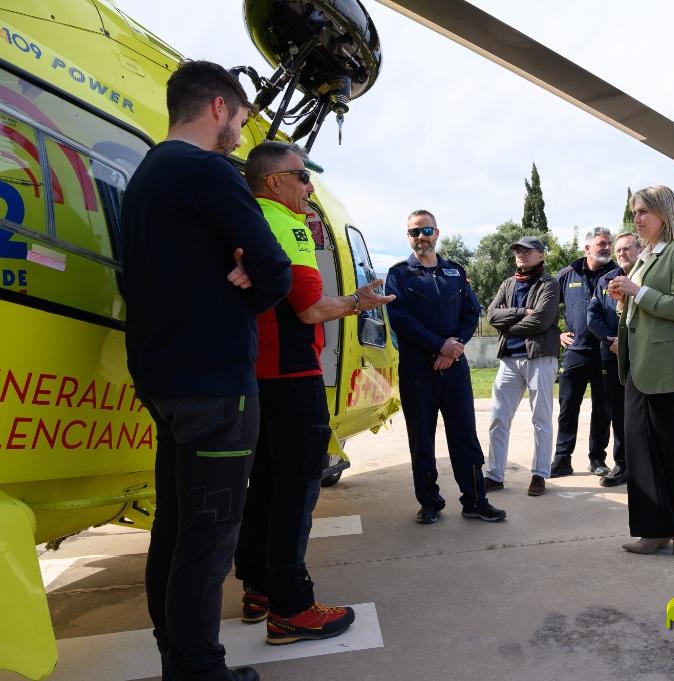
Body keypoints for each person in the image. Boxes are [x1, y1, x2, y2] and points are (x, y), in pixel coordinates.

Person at [121, 61, 293, 681]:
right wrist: (249, 277)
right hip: (216, 384)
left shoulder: (146, 175)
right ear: (218, 107)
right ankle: (199, 671)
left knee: (174, 527)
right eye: (242, 121)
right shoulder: (208, 171)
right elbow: (273, 270)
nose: (241, 136)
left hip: (162, 380)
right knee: (210, 536)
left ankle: (177, 657)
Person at [232, 141, 392, 646]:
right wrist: (356, 301)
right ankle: (292, 607)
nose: (309, 187)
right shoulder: (286, 223)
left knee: (262, 485)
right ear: (275, 182)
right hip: (293, 374)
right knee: (297, 490)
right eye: (302, 177)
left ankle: (257, 587)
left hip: (254, 374)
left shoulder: (243, 217)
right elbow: (308, 309)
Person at [385, 209, 507, 524]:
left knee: (465, 435)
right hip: (417, 371)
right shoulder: (399, 274)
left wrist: (452, 350)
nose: (420, 237)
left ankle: (476, 500)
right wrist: (439, 345)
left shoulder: (454, 271)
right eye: (414, 232)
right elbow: (400, 319)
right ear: (408, 236)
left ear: (437, 233)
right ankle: (429, 502)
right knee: (422, 439)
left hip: (454, 369)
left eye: (426, 231)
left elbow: (472, 312)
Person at [606, 186, 674, 554]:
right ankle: (663, 527)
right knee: (643, 446)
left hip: (660, 368)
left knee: (657, 448)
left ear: (665, 213)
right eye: (635, 212)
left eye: (644, 211)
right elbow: (642, 308)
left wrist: (637, 290)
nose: (638, 218)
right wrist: (624, 300)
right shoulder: (648, 254)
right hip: (640, 364)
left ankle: (662, 529)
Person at [484, 236, 561, 496]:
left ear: (540, 255)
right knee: (498, 418)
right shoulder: (508, 283)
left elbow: (541, 320)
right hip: (510, 359)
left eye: (527, 251)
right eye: (518, 251)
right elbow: (491, 316)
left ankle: (540, 474)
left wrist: (509, 324)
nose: (521, 255)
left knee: (541, 418)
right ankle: (494, 475)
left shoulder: (549, 283)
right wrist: (520, 312)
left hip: (540, 357)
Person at [550, 227, 617, 478]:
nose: (607, 248)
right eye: (601, 244)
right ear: (587, 248)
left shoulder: (615, 274)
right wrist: (556, 333)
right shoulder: (567, 274)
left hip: (605, 351)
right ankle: (562, 459)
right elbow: (546, 307)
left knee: (603, 408)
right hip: (575, 352)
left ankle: (597, 459)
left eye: (608, 243)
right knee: (568, 407)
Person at [588, 231, 641, 487]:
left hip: (644, 356)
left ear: (640, 250)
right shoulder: (605, 280)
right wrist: (612, 340)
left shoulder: (648, 276)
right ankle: (622, 465)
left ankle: (645, 465)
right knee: (618, 412)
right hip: (612, 356)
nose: (621, 253)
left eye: (627, 249)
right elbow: (593, 316)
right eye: (618, 250)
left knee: (645, 413)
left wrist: (628, 342)